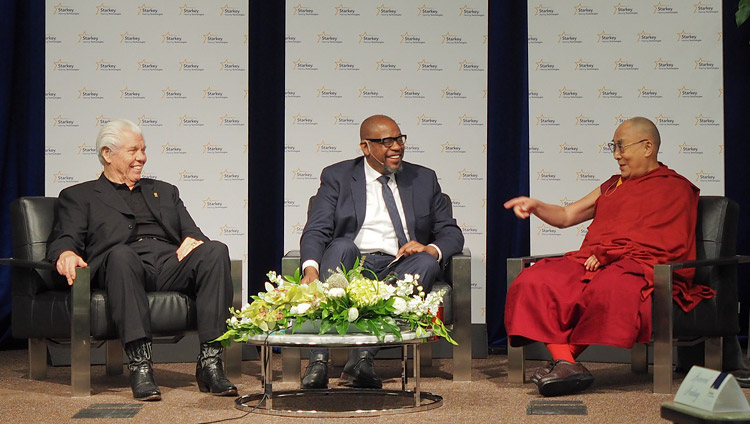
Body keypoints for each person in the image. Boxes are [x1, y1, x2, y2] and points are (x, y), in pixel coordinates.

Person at [504, 116, 713, 397]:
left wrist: (611, 255)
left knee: (613, 286)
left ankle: (564, 362)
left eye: (621, 147)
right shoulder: (614, 185)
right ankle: (567, 363)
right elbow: (567, 215)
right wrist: (537, 205)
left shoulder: (674, 188)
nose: (616, 155)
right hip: (591, 260)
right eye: (613, 147)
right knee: (534, 279)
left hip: (637, 266)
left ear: (648, 147)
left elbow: (667, 247)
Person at [46, 119, 237, 401]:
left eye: (143, 150)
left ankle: (210, 363)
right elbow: (64, 237)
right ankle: (141, 365)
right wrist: (66, 253)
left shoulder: (164, 190)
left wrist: (193, 241)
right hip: (122, 265)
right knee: (122, 255)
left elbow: (193, 233)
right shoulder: (80, 195)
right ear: (108, 154)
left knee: (216, 250)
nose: (141, 158)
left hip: (169, 263)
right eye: (133, 150)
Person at [298, 114, 464, 389]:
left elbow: (450, 232)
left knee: (426, 263)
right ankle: (318, 359)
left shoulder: (424, 178)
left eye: (399, 139)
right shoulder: (337, 176)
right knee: (341, 245)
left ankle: (362, 359)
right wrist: (311, 269)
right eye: (387, 141)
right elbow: (316, 230)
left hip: (397, 263)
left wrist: (430, 248)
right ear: (365, 147)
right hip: (352, 261)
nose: (397, 147)